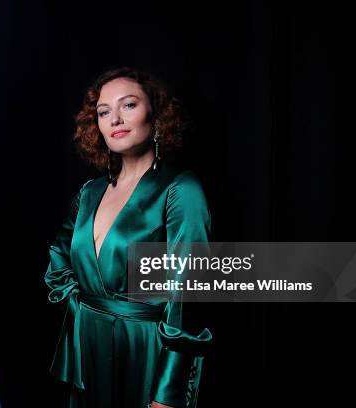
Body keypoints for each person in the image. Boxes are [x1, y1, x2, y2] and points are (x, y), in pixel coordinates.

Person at [44, 67, 213, 408]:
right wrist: (84, 308)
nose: (115, 119)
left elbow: (189, 296)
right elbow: (59, 255)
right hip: (88, 344)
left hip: (146, 348)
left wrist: (168, 391)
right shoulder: (90, 192)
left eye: (129, 105)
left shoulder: (180, 189)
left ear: (156, 113)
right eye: (104, 112)